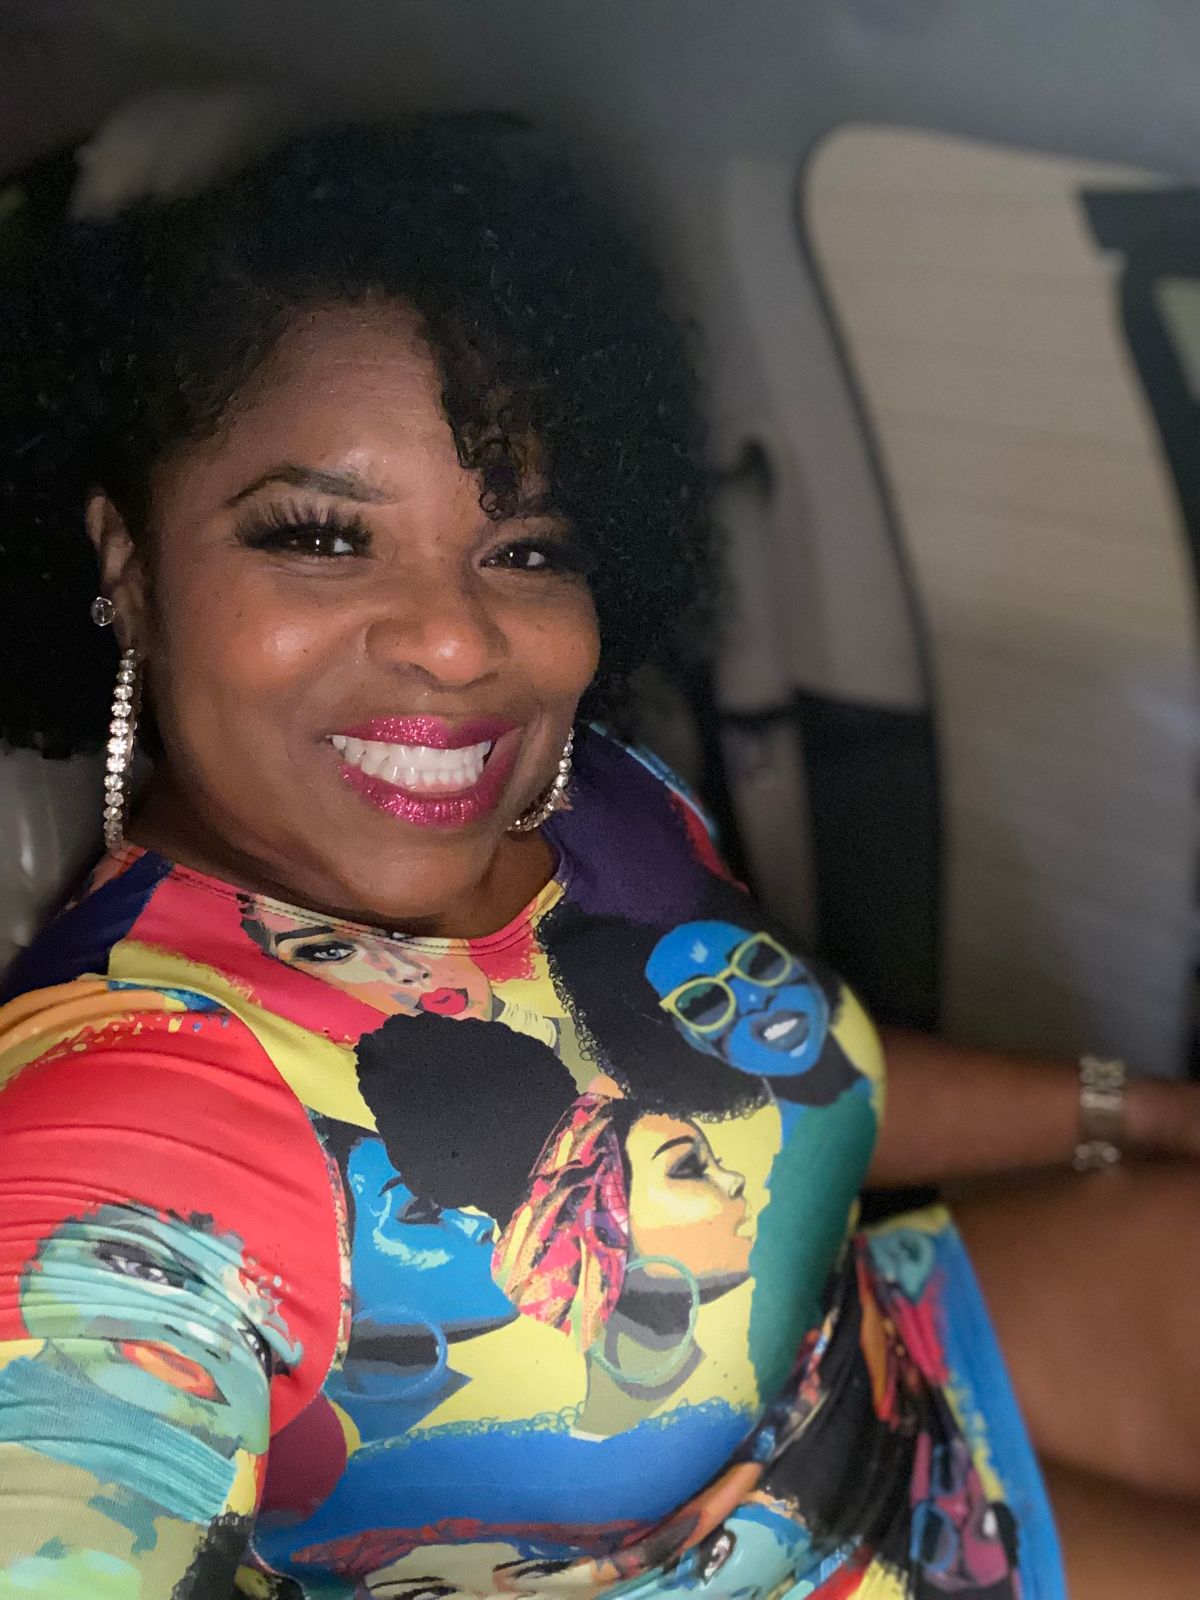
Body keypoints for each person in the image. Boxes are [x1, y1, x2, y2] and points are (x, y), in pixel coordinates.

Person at [0, 118, 1196, 1600]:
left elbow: (798, 1076)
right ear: (126, 564)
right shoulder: (135, 1093)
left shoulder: (604, 802)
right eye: (319, 537)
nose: (456, 640)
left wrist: (1136, 1113)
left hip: (885, 1369)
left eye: (522, 550)